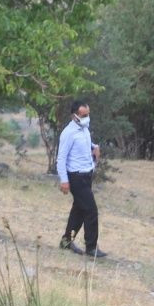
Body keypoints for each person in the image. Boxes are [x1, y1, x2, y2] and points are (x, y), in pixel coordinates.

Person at [57, 100, 105, 257]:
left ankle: (66, 241)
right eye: (84, 115)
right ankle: (91, 247)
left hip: (87, 174)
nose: (87, 118)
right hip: (76, 176)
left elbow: (87, 144)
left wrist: (94, 147)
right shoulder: (68, 133)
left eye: (88, 114)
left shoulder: (84, 129)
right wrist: (64, 180)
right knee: (91, 211)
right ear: (74, 116)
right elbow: (61, 158)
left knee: (78, 210)